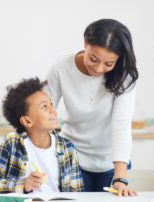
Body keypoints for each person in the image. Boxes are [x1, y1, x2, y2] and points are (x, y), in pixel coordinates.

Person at [44, 19, 138, 196]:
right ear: (85, 43)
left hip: (111, 161)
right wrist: (15, 154)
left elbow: (121, 126)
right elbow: (39, 113)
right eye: (93, 59)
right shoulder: (61, 67)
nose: (98, 68)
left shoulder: (125, 76)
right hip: (71, 158)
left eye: (108, 64)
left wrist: (120, 178)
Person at [0, 78, 84, 193]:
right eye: (44, 106)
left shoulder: (67, 147)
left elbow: (76, 192)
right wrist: (22, 184)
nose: (53, 110)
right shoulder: (12, 142)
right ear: (27, 121)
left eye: (51, 104)